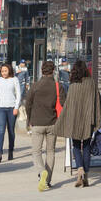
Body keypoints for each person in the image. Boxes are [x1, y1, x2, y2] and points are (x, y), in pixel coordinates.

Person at [57, 58, 101, 188]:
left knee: (76, 147)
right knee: (87, 146)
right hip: (88, 120)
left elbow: (69, 105)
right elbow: (97, 100)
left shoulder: (73, 85)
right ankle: (86, 176)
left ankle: (80, 170)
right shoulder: (91, 83)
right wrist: (97, 116)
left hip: (75, 121)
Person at [25, 60, 66, 191]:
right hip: (52, 122)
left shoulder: (35, 85)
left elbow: (28, 104)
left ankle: (42, 171)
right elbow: (64, 103)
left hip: (37, 122)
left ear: (42, 70)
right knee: (51, 151)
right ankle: (47, 181)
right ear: (53, 70)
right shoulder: (57, 86)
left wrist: (30, 119)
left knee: (36, 151)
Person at [0, 62, 22, 161]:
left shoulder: (14, 80)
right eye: (2, 71)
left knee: (11, 131)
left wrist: (16, 107)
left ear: (9, 70)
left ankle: (11, 151)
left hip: (11, 108)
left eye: (5, 71)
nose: (3, 73)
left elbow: (19, 94)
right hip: (0, 109)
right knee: (1, 131)